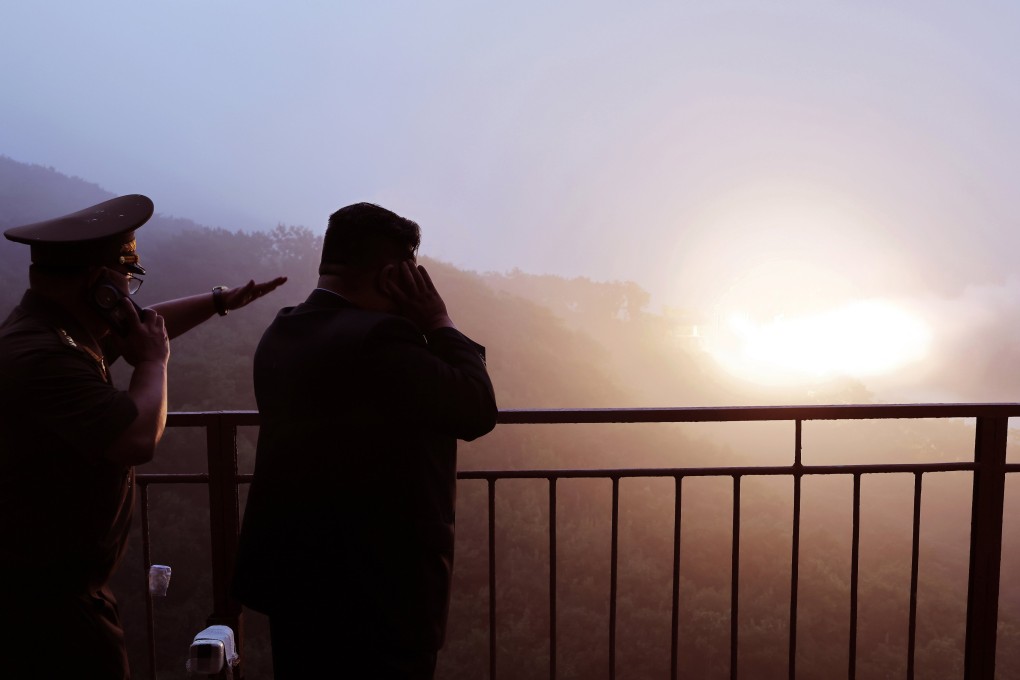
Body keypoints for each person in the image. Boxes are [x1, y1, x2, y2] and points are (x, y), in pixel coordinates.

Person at [0, 194, 286, 679]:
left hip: (53, 593)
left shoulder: (54, 331)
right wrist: (154, 362)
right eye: (126, 279)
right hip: (45, 611)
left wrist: (219, 301)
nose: (129, 294)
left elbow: (143, 325)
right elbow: (136, 439)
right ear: (100, 286)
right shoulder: (43, 356)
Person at [234, 202, 498, 678]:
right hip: (379, 599)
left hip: (294, 583)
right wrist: (439, 320)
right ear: (393, 276)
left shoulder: (283, 330)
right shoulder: (380, 340)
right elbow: (476, 408)